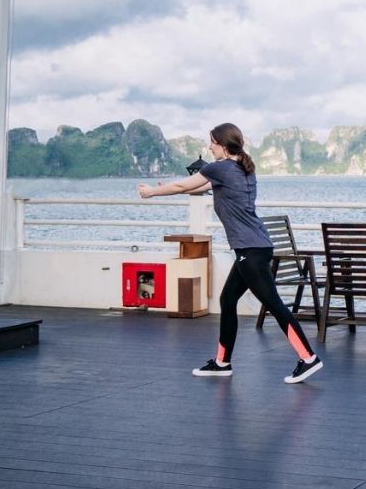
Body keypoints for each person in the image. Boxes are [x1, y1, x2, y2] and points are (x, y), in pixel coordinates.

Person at [138, 123, 323, 384]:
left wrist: (152, 192)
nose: (209, 147)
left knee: (274, 304)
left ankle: (308, 358)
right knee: (228, 301)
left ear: (223, 146)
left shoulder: (218, 168)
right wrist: (169, 186)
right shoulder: (243, 168)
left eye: (211, 142)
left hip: (250, 250)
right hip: (256, 247)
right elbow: (197, 187)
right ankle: (222, 362)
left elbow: (183, 187)